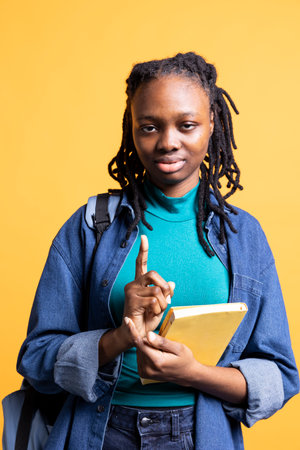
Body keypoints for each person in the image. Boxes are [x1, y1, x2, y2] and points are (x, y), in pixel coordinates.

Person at [17, 52, 299, 449]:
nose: (168, 142)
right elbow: (36, 361)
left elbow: (279, 376)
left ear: (212, 123)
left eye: (187, 125)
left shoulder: (244, 236)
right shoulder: (90, 227)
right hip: (100, 433)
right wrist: (119, 337)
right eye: (149, 127)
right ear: (131, 128)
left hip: (203, 436)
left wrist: (193, 373)